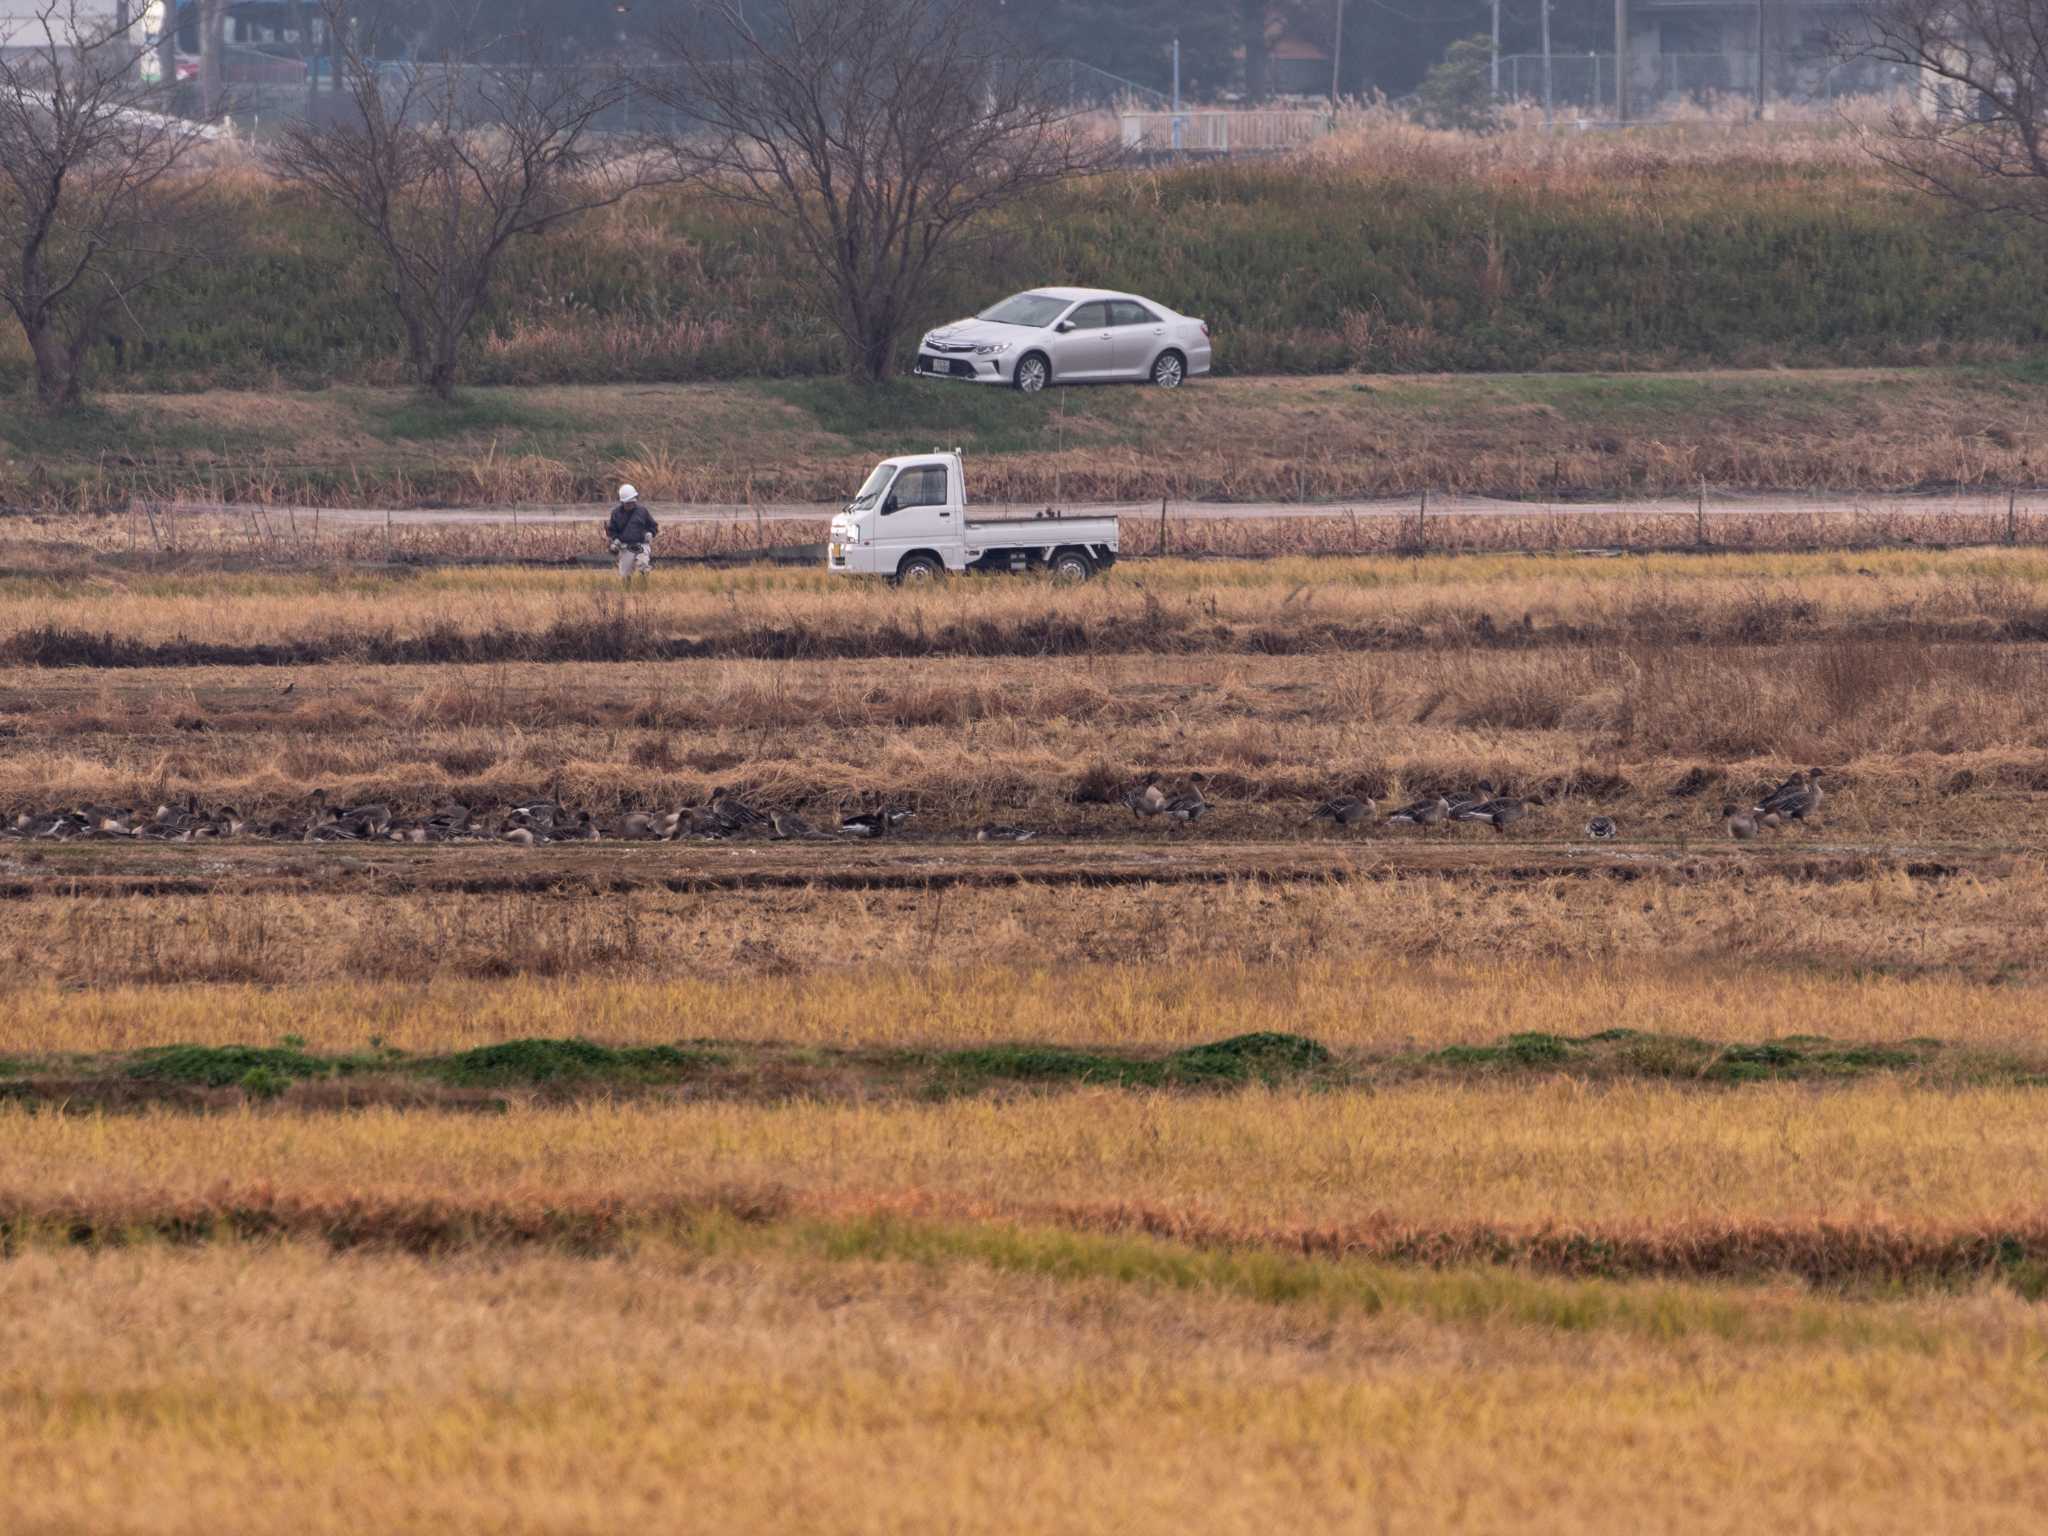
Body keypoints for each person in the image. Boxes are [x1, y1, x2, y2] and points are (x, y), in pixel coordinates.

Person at [606, 483, 659, 581]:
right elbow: (611, 530)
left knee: (643, 565)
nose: (630, 504)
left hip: (641, 544)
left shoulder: (643, 511)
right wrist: (615, 540)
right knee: (625, 575)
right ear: (622, 502)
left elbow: (653, 526)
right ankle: (627, 590)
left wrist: (650, 533)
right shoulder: (616, 514)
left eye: (632, 502)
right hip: (625, 546)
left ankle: (644, 585)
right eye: (628, 503)